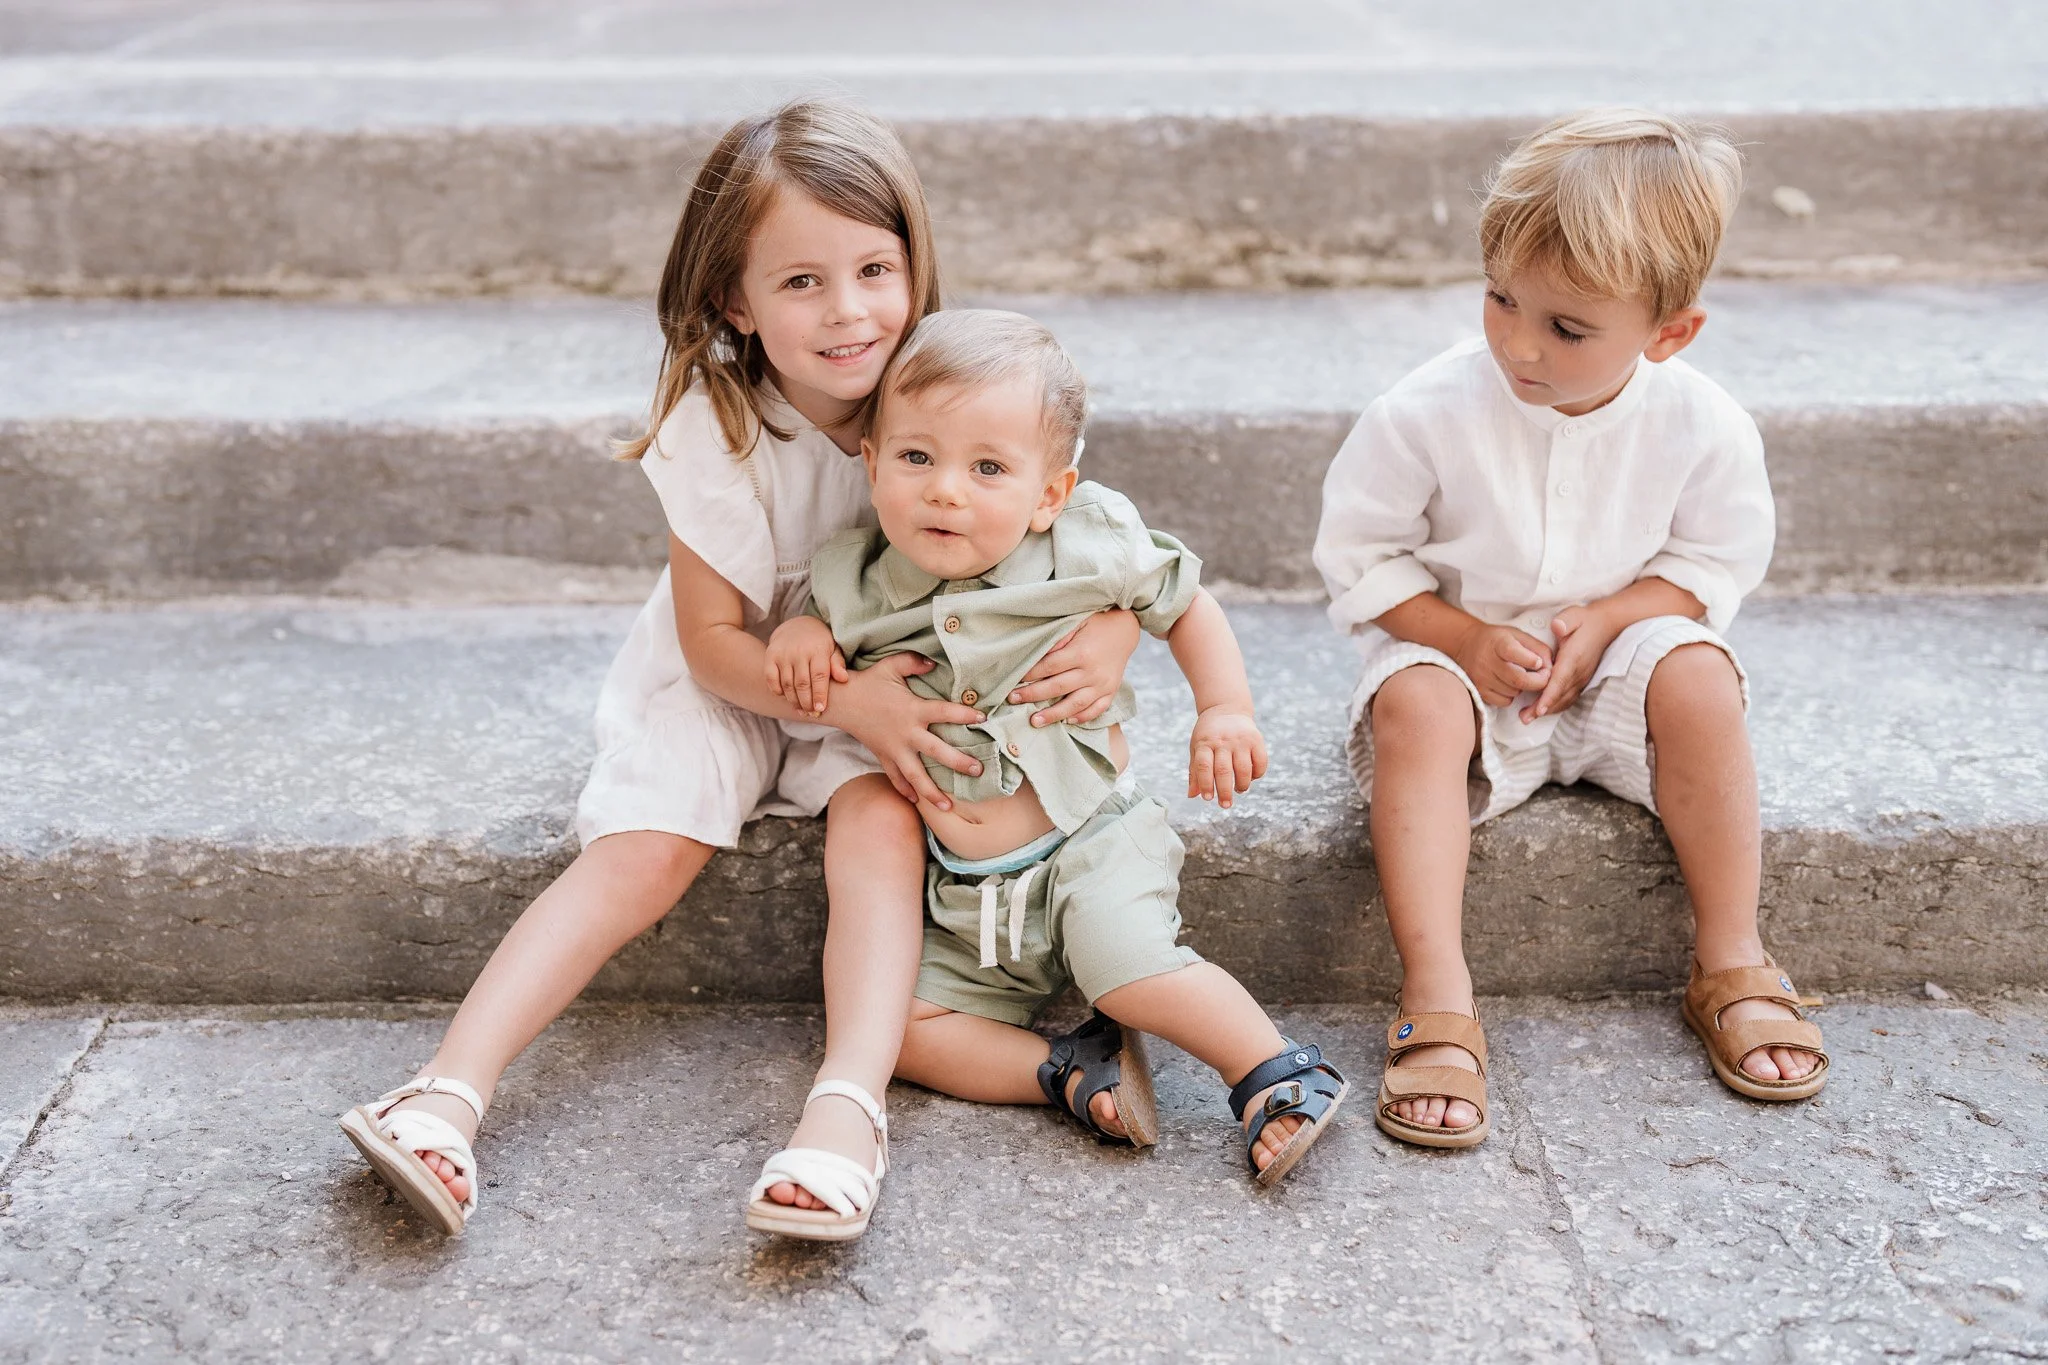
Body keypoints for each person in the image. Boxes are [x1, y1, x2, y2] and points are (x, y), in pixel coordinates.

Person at [338, 101, 1141, 1242]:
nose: (848, 310)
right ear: (734, 300)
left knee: (882, 820)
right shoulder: (714, 427)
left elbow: (1082, 535)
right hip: (737, 678)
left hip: (889, 673)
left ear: (914, 263)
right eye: (800, 282)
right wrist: (843, 694)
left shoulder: (954, 390)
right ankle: (446, 1091)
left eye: (873, 267)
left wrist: (1108, 629)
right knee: (646, 847)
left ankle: (846, 1112)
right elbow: (716, 641)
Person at [1313, 109, 1828, 1150]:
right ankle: (1437, 991)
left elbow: (1709, 565)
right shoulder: (1425, 411)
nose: (1515, 342)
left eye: (1565, 328)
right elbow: (1360, 559)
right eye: (1500, 300)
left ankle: (1729, 955)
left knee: (1698, 676)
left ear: (1667, 333)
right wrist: (1456, 637)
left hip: (1615, 667)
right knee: (1411, 701)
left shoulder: (1703, 424)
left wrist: (1611, 619)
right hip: (1461, 666)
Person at [768, 309, 1348, 1188]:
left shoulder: (1084, 540)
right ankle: (1070, 1071)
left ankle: (1271, 1069)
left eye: (988, 467)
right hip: (964, 895)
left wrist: (1224, 706)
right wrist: (800, 641)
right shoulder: (851, 578)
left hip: (1087, 841)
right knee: (902, 1028)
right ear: (871, 460)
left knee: (1127, 970)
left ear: (1049, 493)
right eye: (916, 457)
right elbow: (819, 637)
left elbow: (1183, 601)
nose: (946, 490)